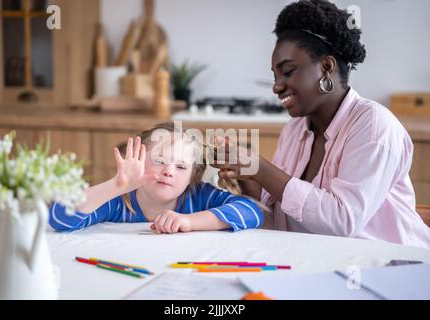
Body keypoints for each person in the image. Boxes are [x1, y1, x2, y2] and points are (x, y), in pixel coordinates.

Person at [213, 0, 430, 248]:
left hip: (394, 270)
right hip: (320, 263)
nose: (276, 86)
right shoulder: (294, 131)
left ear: (326, 67)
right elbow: (285, 222)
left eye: (288, 71)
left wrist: (261, 168)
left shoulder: (373, 125)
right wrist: (251, 182)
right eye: (275, 75)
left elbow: (341, 222)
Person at [49, 122, 263, 234]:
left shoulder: (198, 197)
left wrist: (188, 221)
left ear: (192, 176)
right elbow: (59, 218)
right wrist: (116, 186)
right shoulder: (119, 202)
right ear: (138, 159)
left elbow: (252, 212)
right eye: (159, 160)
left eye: (181, 166)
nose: (169, 171)